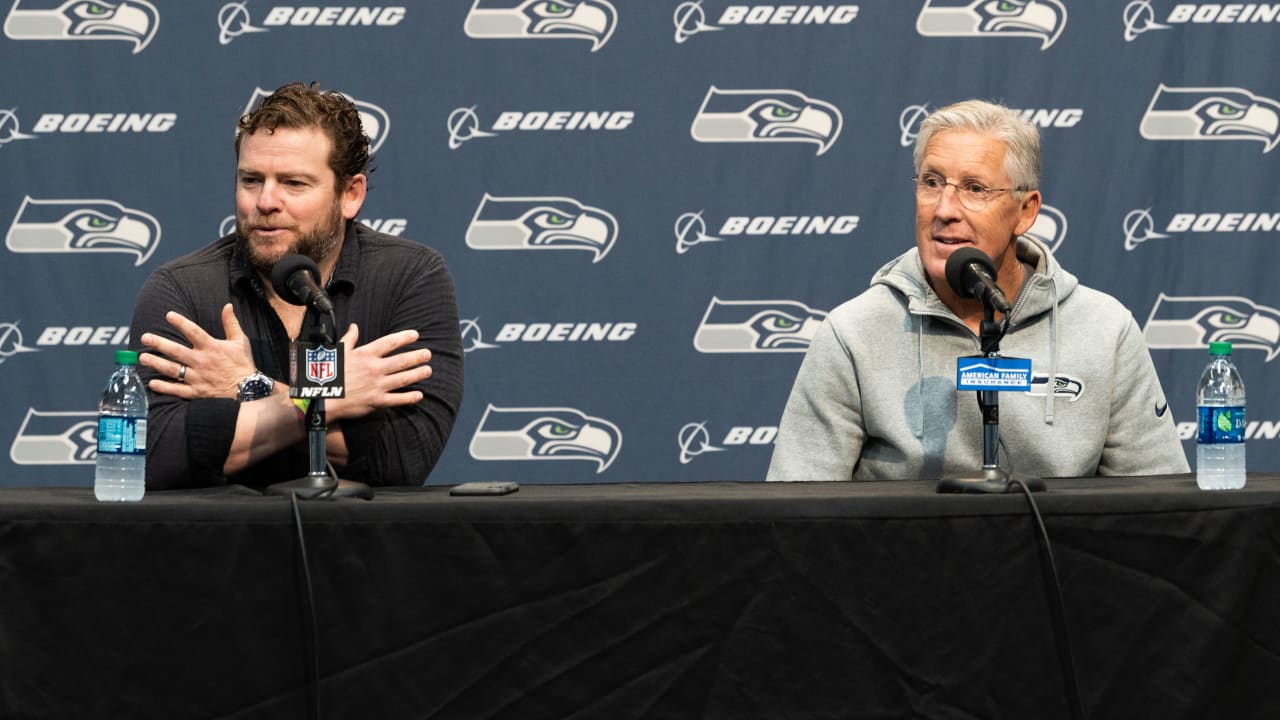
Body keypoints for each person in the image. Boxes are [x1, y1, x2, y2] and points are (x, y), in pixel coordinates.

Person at [766, 99, 1188, 482]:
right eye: (932, 182)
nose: (945, 209)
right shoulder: (853, 333)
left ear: (1025, 212)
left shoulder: (1105, 330)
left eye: (975, 189)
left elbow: (1158, 505)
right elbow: (796, 515)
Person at [131, 82, 463, 490]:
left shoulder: (410, 277)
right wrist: (336, 398)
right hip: (222, 546)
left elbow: (400, 456)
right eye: (251, 180)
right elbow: (156, 456)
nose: (266, 201)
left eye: (293, 183)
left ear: (350, 194)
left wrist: (250, 387)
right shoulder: (181, 289)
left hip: (362, 547)